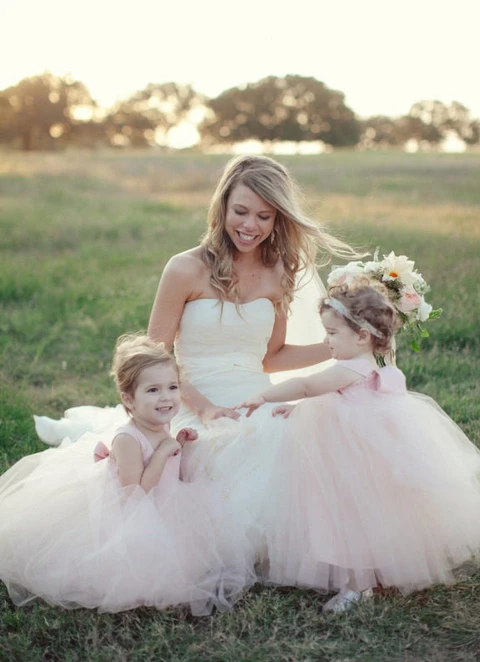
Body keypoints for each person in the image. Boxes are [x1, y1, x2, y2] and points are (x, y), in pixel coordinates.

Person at [34, 155, 360, 569]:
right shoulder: (185, 268)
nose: (250, 226)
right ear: (222, 206)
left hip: (254, 396)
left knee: (298, 445)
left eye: (264, 216)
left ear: (278, 219)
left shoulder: (279, 272)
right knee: (220, 455)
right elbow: (155, 360)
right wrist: (204, 408)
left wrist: (342, 346)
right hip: (188, 400)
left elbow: (272, 356)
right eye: (240, 211)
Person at [238, 284, 480, 613]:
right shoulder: (373, 365)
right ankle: (378, 572)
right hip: (372, 456)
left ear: (362, 336)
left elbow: (310, 386)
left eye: (332, 332)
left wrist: (265, 395)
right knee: (375, 517)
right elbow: (330, 398)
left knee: (350, 518)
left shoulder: (350, 368)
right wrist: (297, 409)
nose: (326, 340)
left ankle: (358, 586)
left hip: (351, 459)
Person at [0, 334, 253, 614]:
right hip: (133, 512)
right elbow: (135, 493)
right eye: (153, 390)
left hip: (164, 502)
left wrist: (176, 444)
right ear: (128, 400)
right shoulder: (127, 439)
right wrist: (162, 452)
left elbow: (163, 464)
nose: (166, 397)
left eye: (172, 387)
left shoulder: (160, 424)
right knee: (149, 571)